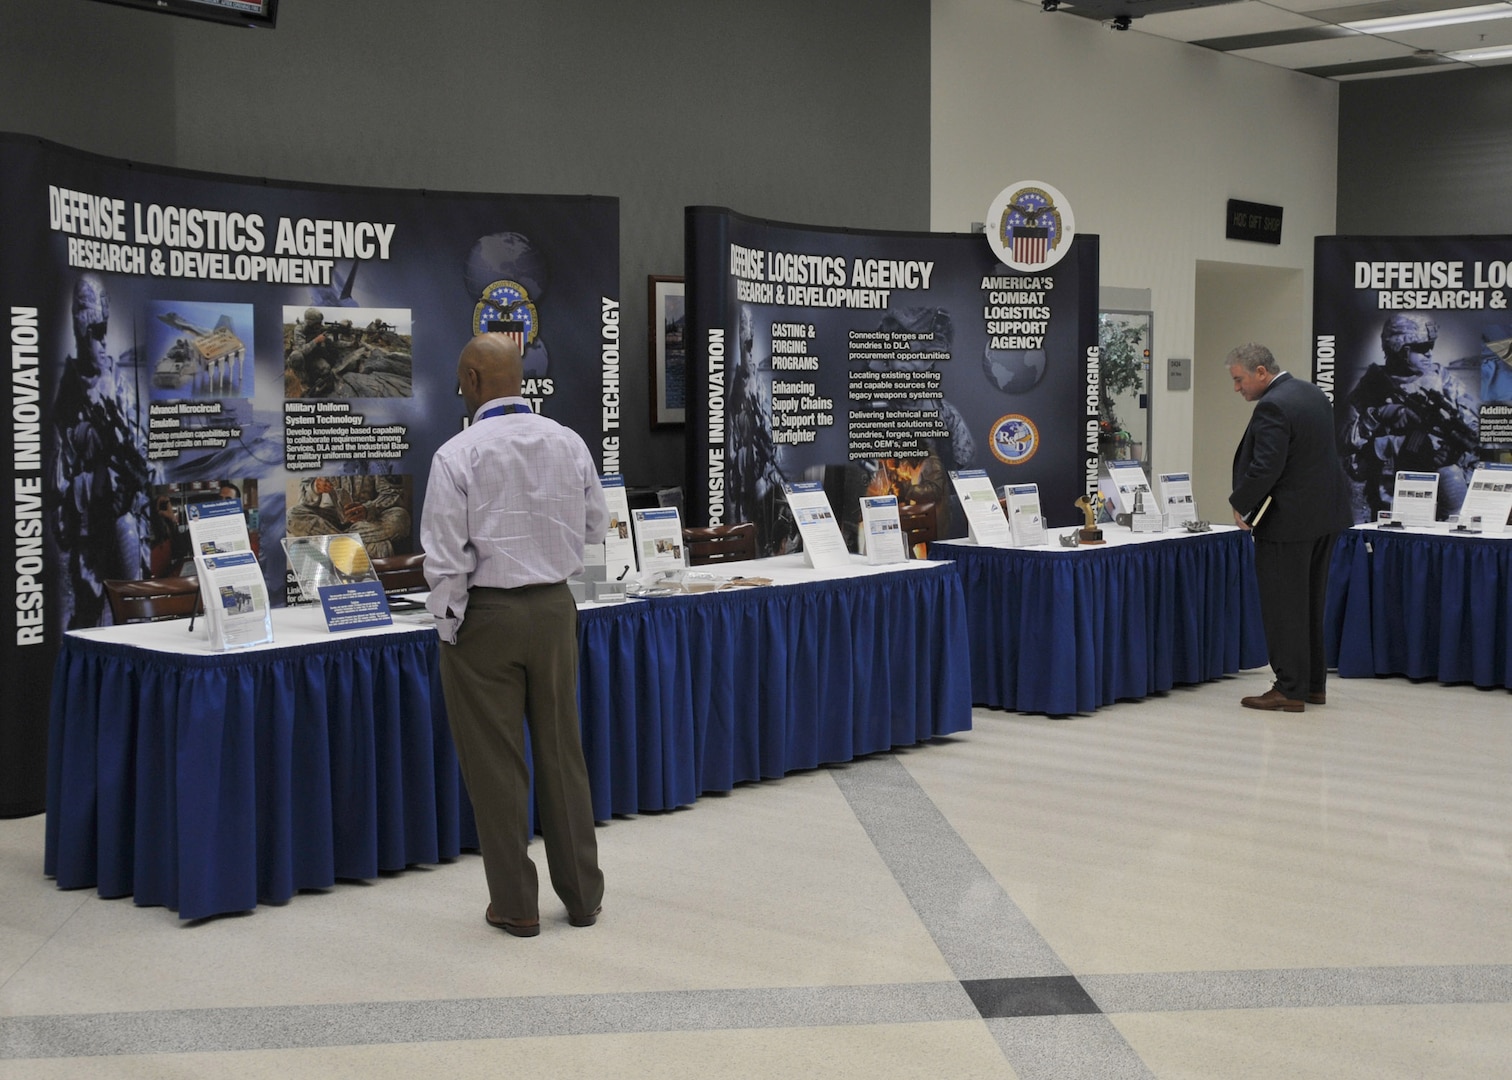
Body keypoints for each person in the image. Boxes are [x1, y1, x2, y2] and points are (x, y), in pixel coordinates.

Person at [421, 332, 607, 937]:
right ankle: (583, 897)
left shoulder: (456, 455)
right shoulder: (569, 441)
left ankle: (516, 907)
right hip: (555, 609)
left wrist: (451, 628)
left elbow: (445, 559)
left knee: (496, 766)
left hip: (487, 617)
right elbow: (597, 525)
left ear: (473, 381)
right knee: (563, 754)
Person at [1228, 343, 1353, 713]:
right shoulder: (1311, 392)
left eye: (1240, 380)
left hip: (1288, 522)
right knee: (1310, 603)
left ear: (1261, 372)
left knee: (1284, 607)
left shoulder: (1272, 405)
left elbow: (1267, 467)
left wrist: (1242, 504)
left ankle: (1289, 688)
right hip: (1325, 516)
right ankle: (1313, 685)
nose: (1237, 388)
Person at [1341, 313, 1478, 519]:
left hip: (1439, 490)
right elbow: (1345, 442)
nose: (1430, 353)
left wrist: (1453, 451)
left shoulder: (1443, 380)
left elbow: (1473, 429)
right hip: (1389, 492)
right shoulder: (1372, 386)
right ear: (1399, 348)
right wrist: (1379, 416)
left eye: (1431, 346)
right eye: (1422, 348)